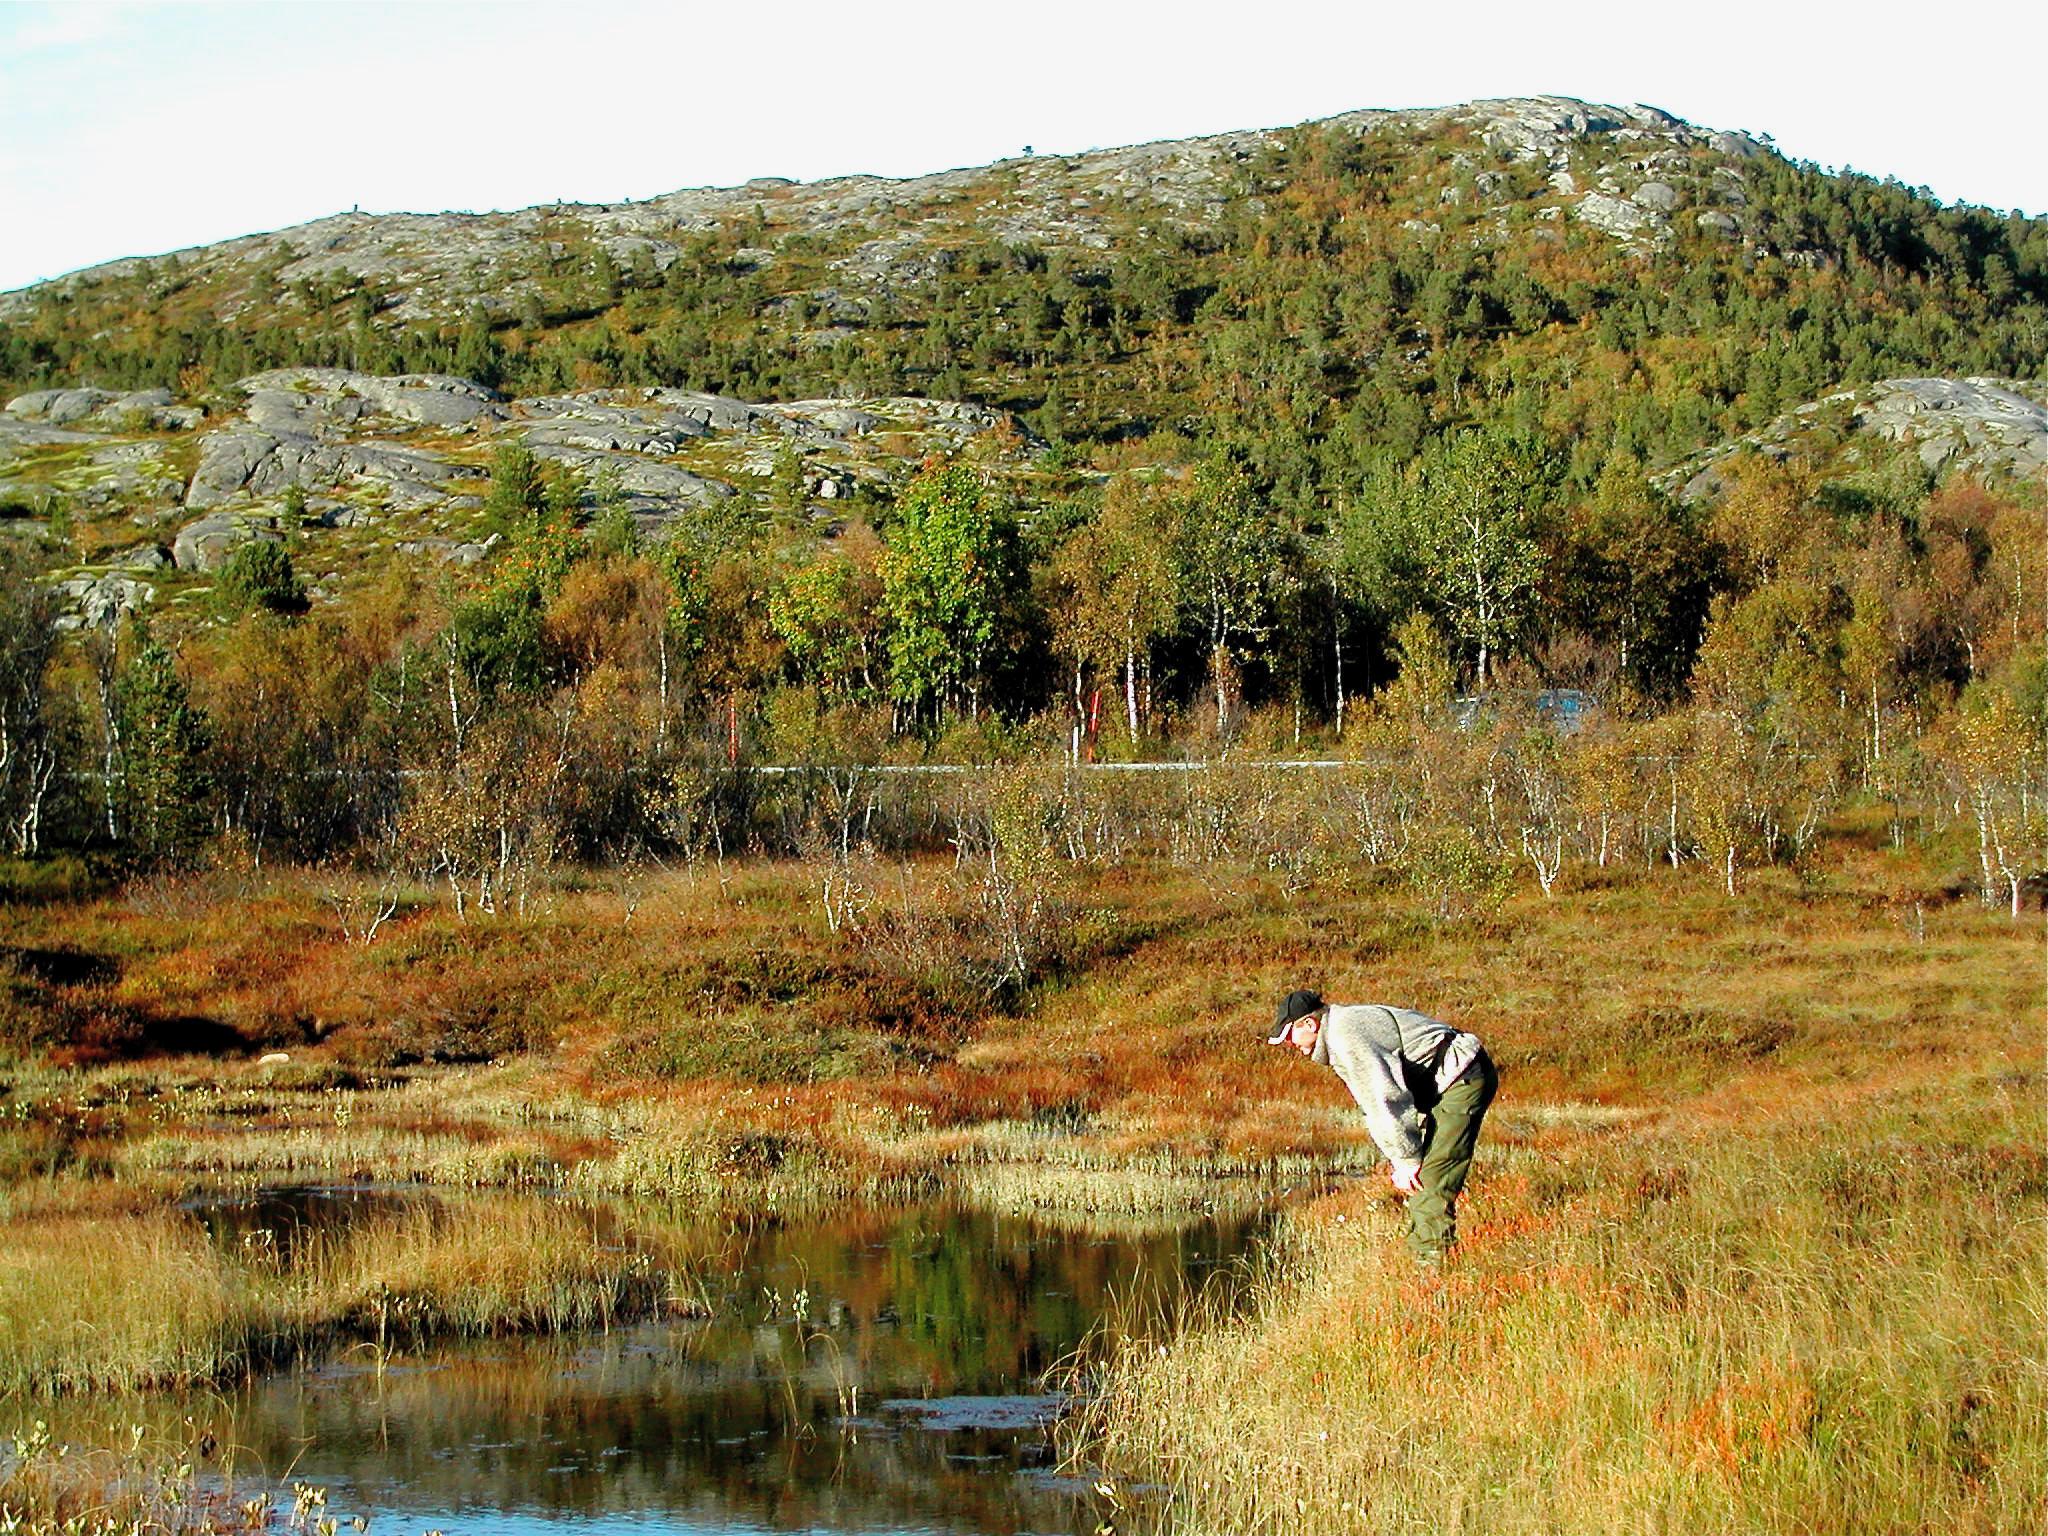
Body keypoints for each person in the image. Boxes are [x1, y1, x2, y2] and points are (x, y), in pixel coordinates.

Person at [1267, 989, 1496, 1263]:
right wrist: (1404, 1157)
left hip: (1462, 1077)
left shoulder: (1345, 1037)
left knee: (1429, 1183)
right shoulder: (1341, 1028)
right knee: (1425, 1182)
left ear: (1309, 1024)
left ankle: (1433, 1276)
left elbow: (1384, 1101)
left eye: (1289, 1034)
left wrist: (1406, 1160)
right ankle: (1424, 1261)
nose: (1289, 1043)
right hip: (1448, 1080)